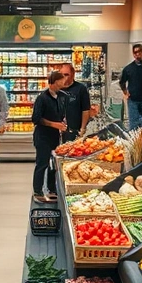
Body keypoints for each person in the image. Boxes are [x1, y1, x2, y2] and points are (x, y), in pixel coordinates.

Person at [32, 71, 68, 203]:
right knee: (42, 164)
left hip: (55, 137)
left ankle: (52, 190)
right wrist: (54, 124)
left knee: (53, 164)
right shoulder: (42, 98)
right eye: (61, 81)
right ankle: (37, 191)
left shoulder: (61, 97)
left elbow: (61, 115)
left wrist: (63, 122)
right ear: (54, 81)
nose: (63, 84)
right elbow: (36, 119)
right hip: (42, 136)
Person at [120, 43, 142, 130]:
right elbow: (122, 82)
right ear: (133, 54)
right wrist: (125, 92)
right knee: (134, 124)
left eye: (139, 51)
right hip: (133, 100)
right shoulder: (128, 69)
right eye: (135, 52)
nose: (138, 54)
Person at [59, 63, 93, 142]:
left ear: (73, 74)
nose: (64, 77)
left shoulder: (81, 89)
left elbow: (85, 110)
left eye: (66, 74)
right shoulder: (56, 88)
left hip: (74, 131)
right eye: (61, 74)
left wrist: (82, 128)